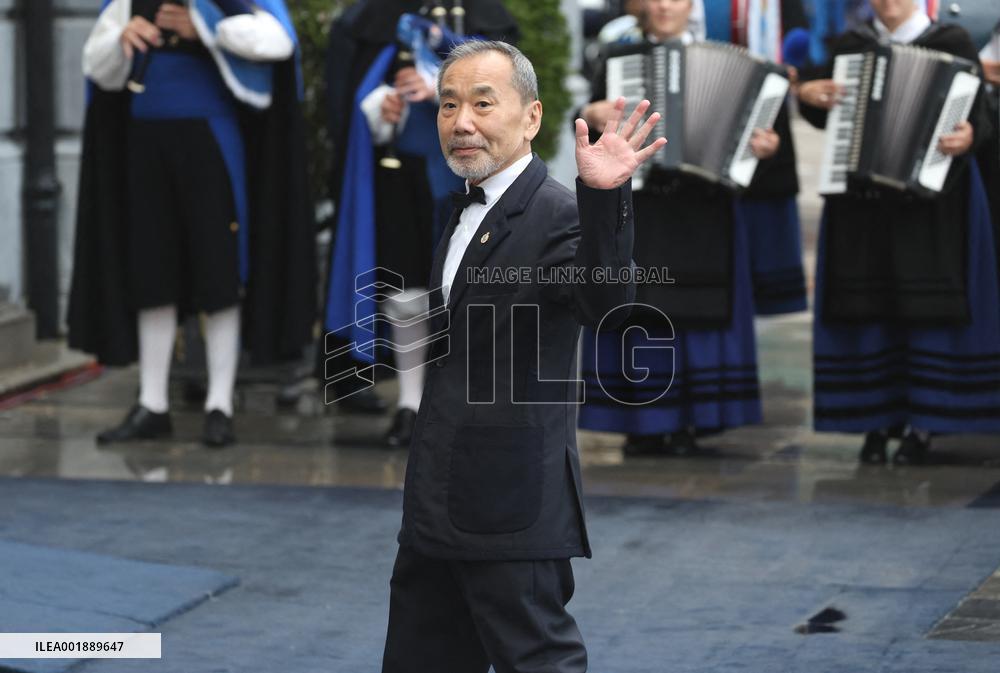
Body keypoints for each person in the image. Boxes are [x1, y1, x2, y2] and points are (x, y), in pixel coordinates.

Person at [380, 40, 665, 672]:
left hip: (510, 504)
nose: (462, 122)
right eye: (449, 105)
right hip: (436, 499)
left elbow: (608, 308)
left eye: (484, 103)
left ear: (532, 117)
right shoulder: (462, 206)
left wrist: (604, 200)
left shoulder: (559, 213)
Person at [68, 0, 315, 447]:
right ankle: (152, 403)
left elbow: (278, 41)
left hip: (212, 141)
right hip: (144, 144)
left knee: (219, 272)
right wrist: (121, 40)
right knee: (151, 274)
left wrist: (207, 27)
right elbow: (97, 66)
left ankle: (219, 405)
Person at [798, 0, 1000, 464]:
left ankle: (923, 425)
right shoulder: (851, 45)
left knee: (922, 310)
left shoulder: (953, 42)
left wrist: (969, 136)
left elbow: (982, 121)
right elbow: (827, 112)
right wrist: (808, 98)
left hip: (930, 205)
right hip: (861, 204)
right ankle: (875, 420)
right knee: (868, 308)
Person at [576, 0, 780, 456]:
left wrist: (764, 148)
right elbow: (585, 131)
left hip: (705, 208)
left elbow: (761, 146)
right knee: (637, 310)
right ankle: (643, 422)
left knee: (700, 309)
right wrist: (591, 110)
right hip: (641, 207)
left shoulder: (731, 59)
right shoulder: (614, 61)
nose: (664, 5)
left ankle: (697, 419)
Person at [324, 0, 518, 446]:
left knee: (471, 286)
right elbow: (353, 91)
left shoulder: (489, 13)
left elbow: (512, 89)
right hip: (402, 165)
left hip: (474, 167)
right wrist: (379, 106)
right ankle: (410, 405)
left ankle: (470, 404)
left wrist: (441, 88)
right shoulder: (371, 14)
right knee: (406, 287)